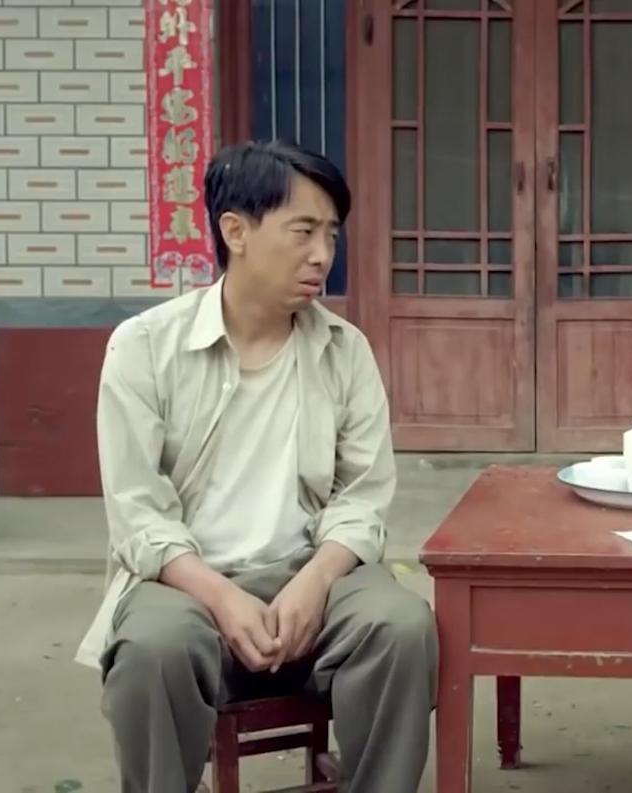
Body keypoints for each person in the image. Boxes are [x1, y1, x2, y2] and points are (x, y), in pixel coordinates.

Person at [74, 140, 438, 793]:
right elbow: (137, 514)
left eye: (331, 234)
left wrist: (316, 581)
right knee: (152, 649)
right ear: (235, 231)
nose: (322, 254)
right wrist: (220, 595)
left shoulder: (344, 350)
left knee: (402, 627)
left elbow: (363, 497)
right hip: (186, 584)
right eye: (303, 231)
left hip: (311, 574)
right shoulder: (145, 348)